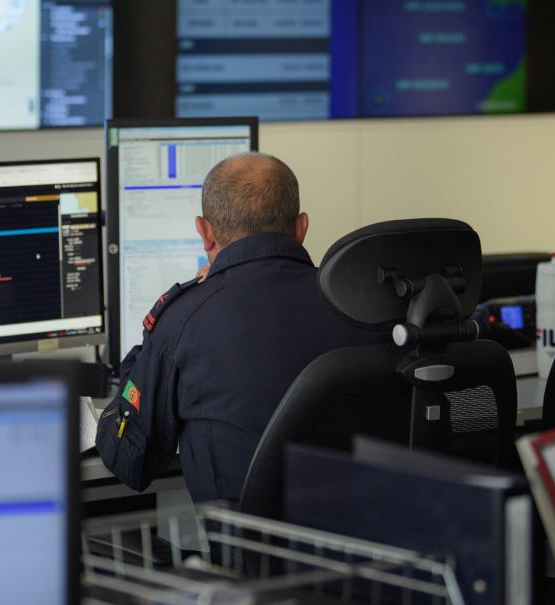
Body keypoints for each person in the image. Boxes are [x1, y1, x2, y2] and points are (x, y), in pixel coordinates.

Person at [96, 152, 385, 502]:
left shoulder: (183, 321)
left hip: (247, 554)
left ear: (204, 232)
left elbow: (128, 460)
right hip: (367, 545)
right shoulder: (364, 308)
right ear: (302, 227)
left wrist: (148, 351)